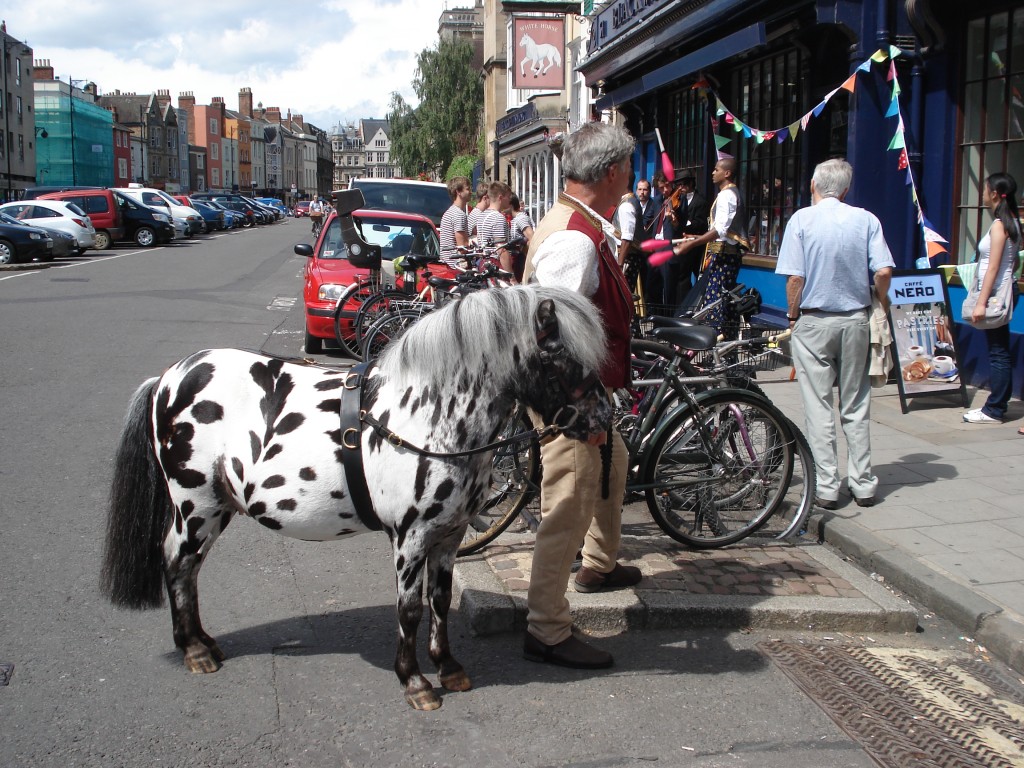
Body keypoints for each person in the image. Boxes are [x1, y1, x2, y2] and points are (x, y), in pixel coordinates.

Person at [521, 121, 641, 669]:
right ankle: (546, 627)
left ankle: (599, 563)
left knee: (614, 465)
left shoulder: (580, 223)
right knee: (568, 502)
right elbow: (553, 340)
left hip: (582, 390)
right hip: (567, 396)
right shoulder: (573, 237)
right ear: (612, 172)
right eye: (628, 172)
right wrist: (577, 413)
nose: (630, 181)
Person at [775, 158, 895, 509]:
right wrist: (879, 299)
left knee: (819, 405)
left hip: (814, 320)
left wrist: (793, 316)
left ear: (813, 185)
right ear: (845, 190)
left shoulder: (802, 219)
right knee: (856, 403)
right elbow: (884, 271)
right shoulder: (866, 219)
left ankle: (828, 487)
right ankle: (863, 484)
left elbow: (795, 278)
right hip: (855, 318)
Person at [963, 172, 1021, 425]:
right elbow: (1015, 260)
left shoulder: (1000, 225)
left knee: (998, 353)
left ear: (995, 194)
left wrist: (980, 302)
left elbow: (995, 267)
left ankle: (994, 409)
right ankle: (999, 404)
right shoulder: (1010, 223)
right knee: (1000, 351)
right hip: (1003, 292)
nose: (983, 193)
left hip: (996, 294)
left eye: (985, 189)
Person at [670, 157, 749, 336]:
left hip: (724, 257)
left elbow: (720, 230)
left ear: (726, 173)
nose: (713, 173)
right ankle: (725, 347)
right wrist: (696, 237)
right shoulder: (731, 193)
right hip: (725, 254)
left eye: (716, 169)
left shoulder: (726, 195)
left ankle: (716, 346)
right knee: (724, 301)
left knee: (716, 302)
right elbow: (722, 231)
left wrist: (692, 244)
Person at [673, 175, 709, 289]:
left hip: (696, 245)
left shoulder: (700, 201)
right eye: (678, 185)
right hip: (682, 243)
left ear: (690, 185)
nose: (680, 188)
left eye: (682, 185)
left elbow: (702, 223)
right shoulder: (677, 199)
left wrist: (685, 223)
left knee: (698, 274)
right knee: (682, 276)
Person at [476, 181, 517, 280]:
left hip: (484, 263)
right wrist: (511, 277)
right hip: (496, 266)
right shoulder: (498, 218)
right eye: (508, 196)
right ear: (500, 197)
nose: (510, 200)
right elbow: (501, 250)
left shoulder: (482, 215)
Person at [613, 175, 645, 292]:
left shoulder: (626, 205)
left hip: (627, 259)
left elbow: (627, 237)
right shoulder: (629, 201)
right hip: (627, 258)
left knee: (622, 295)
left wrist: (620, 265)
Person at [439, 176, 472, 269]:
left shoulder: (451, 211)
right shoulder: (458, 215)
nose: (470, 192)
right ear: (458, 192)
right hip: (456, 265)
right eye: (467, 189)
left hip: (448, 263)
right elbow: (462, 246)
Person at [508, 194, 535, 282]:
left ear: (510, 205)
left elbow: (532, 238)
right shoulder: (515, 218)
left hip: (521, 259)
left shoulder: (520, 218)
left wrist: (523, 251)